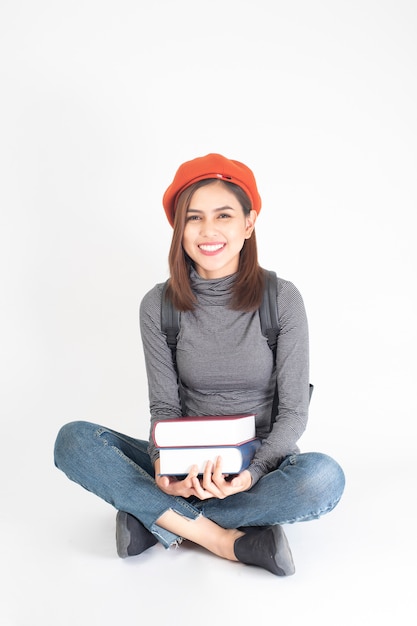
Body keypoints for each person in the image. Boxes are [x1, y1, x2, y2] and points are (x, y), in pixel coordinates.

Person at [54, 153, 345, 576]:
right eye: (194, 218)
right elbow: (165, 411)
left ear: (248, 223)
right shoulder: (158, 306)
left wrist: (253, 472)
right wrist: (161, 469)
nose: (208, 231)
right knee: (73, 441)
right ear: (179, 228)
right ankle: (224, 540)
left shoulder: (281, 299)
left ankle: (155, 521)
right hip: (184, 464)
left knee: (322, 478)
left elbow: (294, 412)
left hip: (258, 466)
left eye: (223, 215)